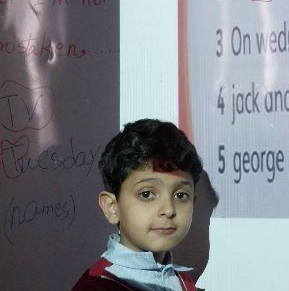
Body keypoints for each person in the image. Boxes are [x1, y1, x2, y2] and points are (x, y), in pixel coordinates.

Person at [71, 119, 204, 291]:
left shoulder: (183, 282)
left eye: (180, 195)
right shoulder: (96, 285)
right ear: (112, 207)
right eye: (146, 194)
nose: (169, 210)